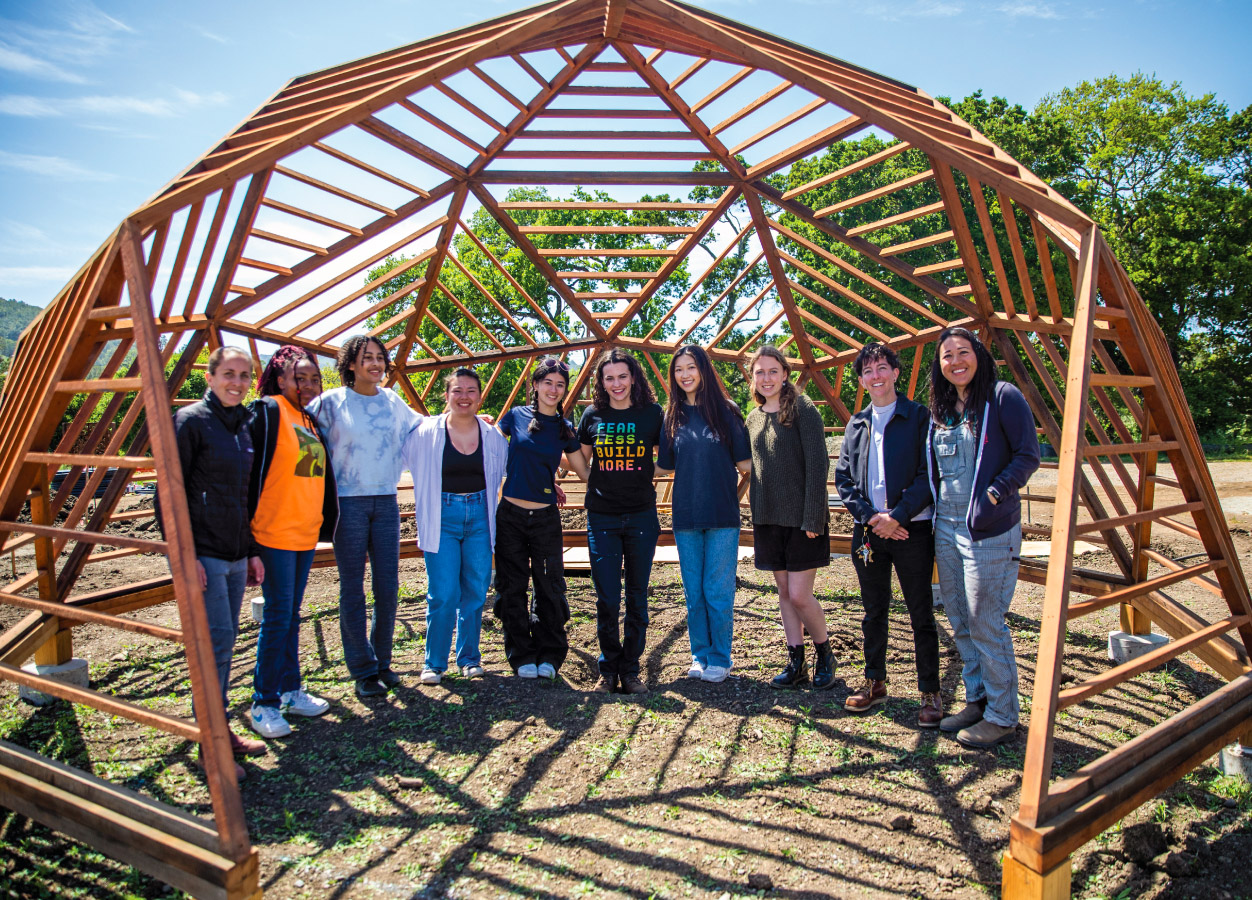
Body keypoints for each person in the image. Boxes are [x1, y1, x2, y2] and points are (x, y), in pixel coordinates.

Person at [927, 326, 1039, 749]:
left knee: (984, 620)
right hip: (947, 528)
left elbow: (1029, 455)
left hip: (989, 529)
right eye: (946, 356)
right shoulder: (942, 408)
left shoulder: (1002, 397)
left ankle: (1002, 715)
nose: (956, 361)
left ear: (978, 353)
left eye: (962, 352)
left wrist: (995, 493)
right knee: (958, 619)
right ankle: (977, 699)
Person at [169, 346, 265, 777]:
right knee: (216, 644)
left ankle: (219, 729)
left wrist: (250, 551)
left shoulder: (243, 426)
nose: (237, 383)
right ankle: (211, 743)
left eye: (244, 376)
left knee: (223, 645)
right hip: (202, 554)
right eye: (229, 374)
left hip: (232, 551)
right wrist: (184, 556)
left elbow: (245, 496)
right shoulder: (191, 422)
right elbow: (168, 493)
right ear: (209, 378)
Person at [834, 343, 942, 727]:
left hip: (911, 530)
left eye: (882, 368)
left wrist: (897, 516)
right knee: (873, 611)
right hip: (869, 533)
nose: (875, 376)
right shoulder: (857, 423)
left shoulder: (919, 417)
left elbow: (929, 475)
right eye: (867, 371)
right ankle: (874, 681)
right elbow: (843, 479)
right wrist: (872, 519)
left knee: (920, 613)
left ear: (896, 372)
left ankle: (930, 690)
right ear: (861, 380)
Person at [308, 335, 420, 699]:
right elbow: (304, 441)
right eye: (366, 357)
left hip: (386, 501)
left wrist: (467, 418)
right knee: (352, 588)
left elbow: (424, 427)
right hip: (348, 504)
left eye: (379, 357)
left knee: (387, 587)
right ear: (350, 365)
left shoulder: (392, 401)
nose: (375, 363)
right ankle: (362, 668)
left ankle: (383, 662)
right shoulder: (330, 403)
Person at [246, 345, 337, 740]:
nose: (308, 385)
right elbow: (247, 473)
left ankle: (290, 690)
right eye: (299, 378)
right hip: (273, 533)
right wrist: (246, 540)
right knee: (279, 616)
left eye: (315, 378)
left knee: (290, 614)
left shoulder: (309, 420)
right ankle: (263, 701)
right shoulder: (267, 412)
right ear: (280, 379)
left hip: (302, 533)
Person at [402, 368, 508, 684]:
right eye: (457, 390)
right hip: (442, 515)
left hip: (479, 515)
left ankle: (469, 658)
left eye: (471, 391)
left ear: (479, 396)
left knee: (475, 589)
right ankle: (434, 663)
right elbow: (400, 457)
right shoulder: (424, 433)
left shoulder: (492, 436)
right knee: (443, 593)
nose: (464, 397)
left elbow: (506, 470)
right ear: (446, 395)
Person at [655, 346, 751, 684]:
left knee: (717, 590)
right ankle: (699, 654)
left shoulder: (727, 412)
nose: (684, 375)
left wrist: (733, 496)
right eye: (678, 370)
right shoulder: (673, 416)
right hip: (685, 517)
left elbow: (747, 466)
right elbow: (662, 468)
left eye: (690, 367)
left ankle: (721, 658)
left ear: (704, 370)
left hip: (722, 517)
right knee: (693, 592)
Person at [745, 344, 836, 690]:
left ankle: (825, 653)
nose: (766, 378)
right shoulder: (752, 418)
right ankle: (795, 660)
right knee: (783, 592)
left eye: (773, 371)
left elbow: (818, 464)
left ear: (785, 374)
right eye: (760, 372)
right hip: (768, 519)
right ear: (752, 378)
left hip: (803, 520)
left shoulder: (803, 408)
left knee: (800, 595)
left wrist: (815, 516)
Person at [494, 357, 588, 680]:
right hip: (510, 517)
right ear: (535, 385)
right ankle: (521, 655)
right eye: (547, 382)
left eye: (560, 384)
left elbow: (585, 471)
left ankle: (550, 653)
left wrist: (628, 469)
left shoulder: (565, 429)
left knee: (549, 586)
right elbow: (489, 446)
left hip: (546, 518)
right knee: (513, 586)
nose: (553, 389)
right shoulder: (514, 418)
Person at [577, 348, 664, 695]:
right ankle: (607, 670)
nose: (616, 384)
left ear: (634, 377)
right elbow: (581, 461)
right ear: (601, 382)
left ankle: (631, 671)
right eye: (609, 378)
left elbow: (669, 457)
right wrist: (598, 482)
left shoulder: (652, 414)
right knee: (607, 598)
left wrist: (644, 474)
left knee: (638, 596)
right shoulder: (591, 415)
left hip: (642, 514)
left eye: (622, 376)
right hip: (602, 517)